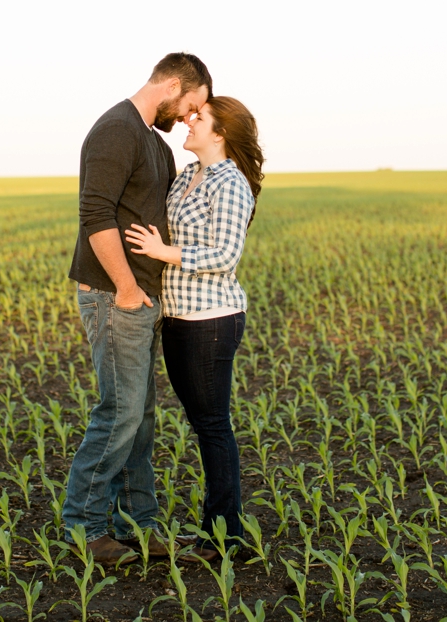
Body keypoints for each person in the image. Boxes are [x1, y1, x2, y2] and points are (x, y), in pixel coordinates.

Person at [64, 53, 213, 564]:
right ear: (172, 84)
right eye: (191, 105)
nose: (189, 117)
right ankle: (85, 527)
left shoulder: (152, 141)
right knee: (119, 412)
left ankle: (139, 525)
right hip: (113, 295)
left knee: (140, 417)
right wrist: (127, 288)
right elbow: (94, 213)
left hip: (141, 299)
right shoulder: (116, 130)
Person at [124, 95, 263, 561]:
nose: (187, 120)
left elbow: (225, 255)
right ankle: (216, 532)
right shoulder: (189, 175)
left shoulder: (231, 183)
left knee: (212, 427)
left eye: (197, 118)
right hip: (180, 317)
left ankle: (224, 538)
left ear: (219, 133)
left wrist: (166, 253)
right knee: (205, 425)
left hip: (212, 321)